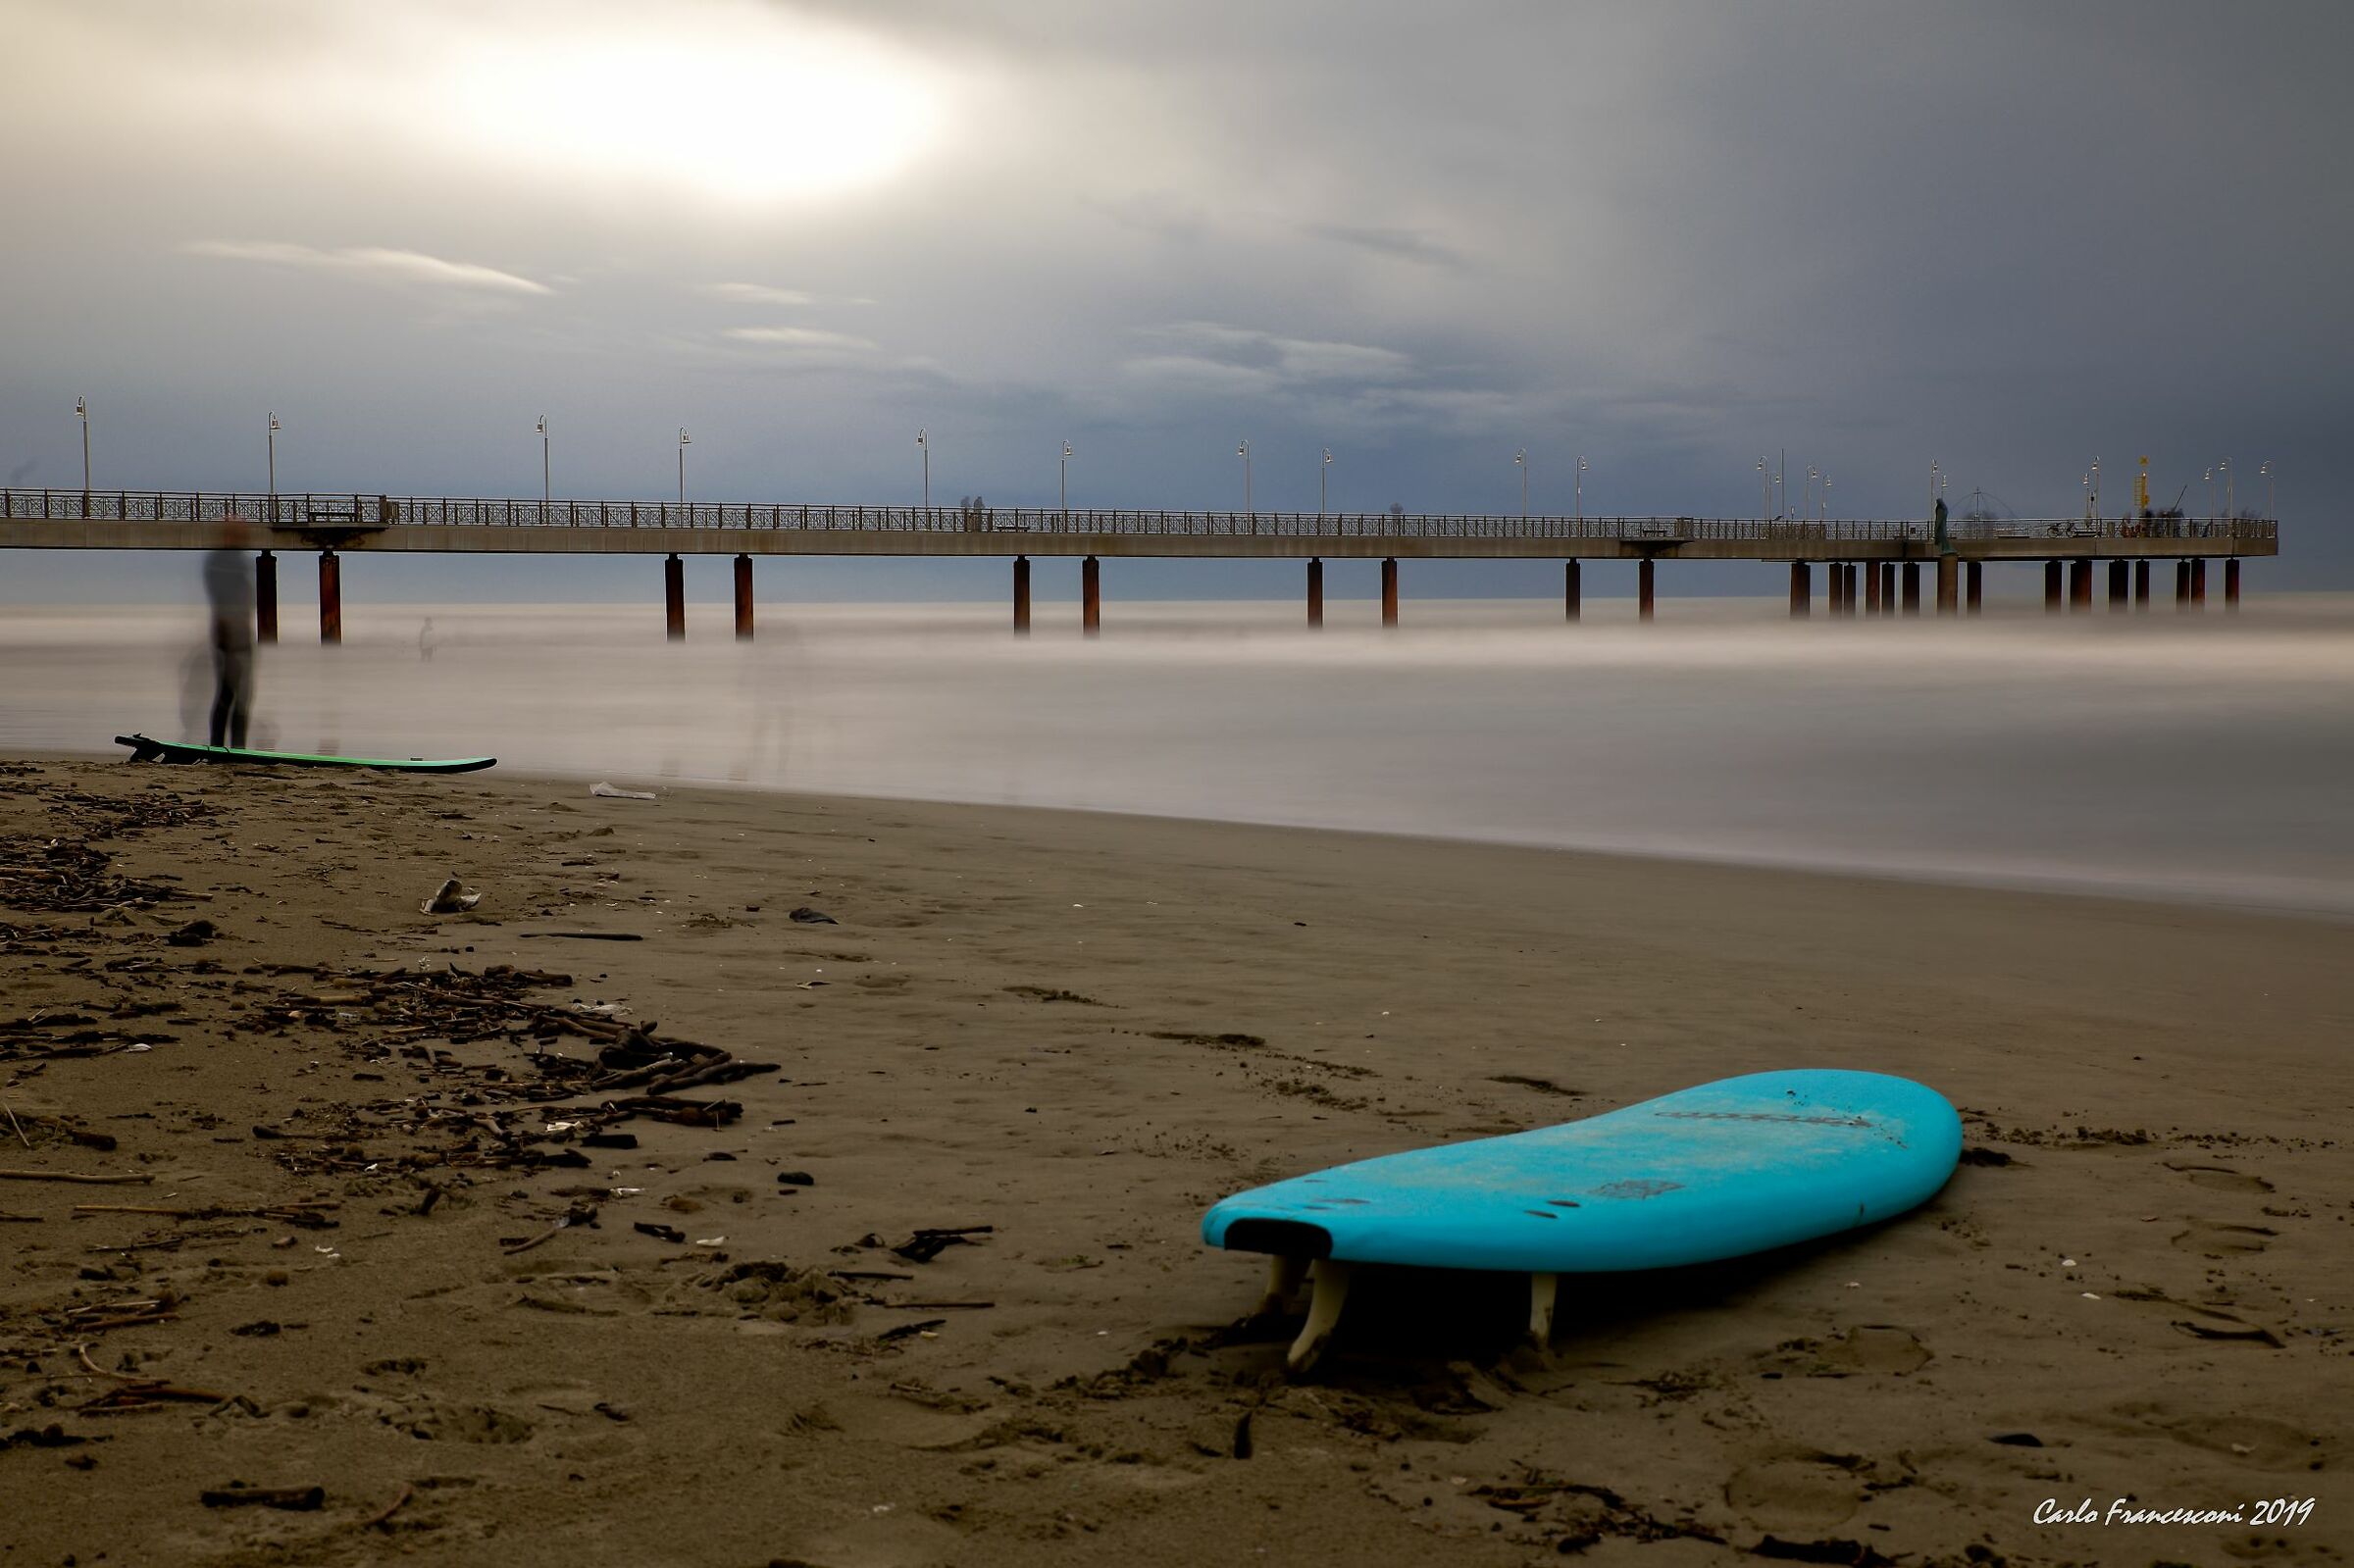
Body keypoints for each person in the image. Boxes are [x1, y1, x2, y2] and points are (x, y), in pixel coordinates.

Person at [204, 523, 256, 750]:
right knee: (230, 694)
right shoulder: (223, 562)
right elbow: (224, 598)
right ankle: (223, 747)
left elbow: (245, 598)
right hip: (230, 635)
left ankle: (234, 746)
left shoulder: (236, 562)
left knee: (240, 695)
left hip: (240, 633)